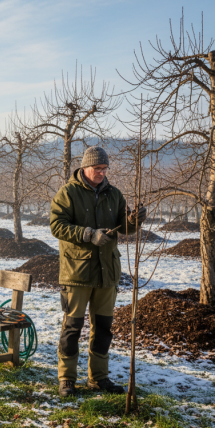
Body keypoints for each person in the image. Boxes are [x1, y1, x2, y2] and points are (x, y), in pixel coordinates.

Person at [50, 146, 147, 397]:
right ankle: (67, 379)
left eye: (105, 169)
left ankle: (99, 378)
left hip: (107, 273)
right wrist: (88, 234)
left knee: (103, 328)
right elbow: (57, 225)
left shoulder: (114, 195)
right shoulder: (68, 193)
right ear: (85, 167)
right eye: (98, 169)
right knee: (72, 327)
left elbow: (123, 227)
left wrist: (135, 219)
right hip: (77, 272)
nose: (102, 173)